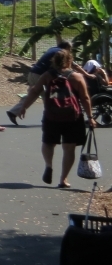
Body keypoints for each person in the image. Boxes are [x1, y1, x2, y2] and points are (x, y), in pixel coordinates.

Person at [16, 48, 96, 187]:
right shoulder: (76, 77)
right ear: (70, 60)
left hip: (51, 115)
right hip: (72, 117)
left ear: (53, 61)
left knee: (48, 143)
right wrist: (90, 117)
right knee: (69, 148)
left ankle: (49, 165)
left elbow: (35, 91)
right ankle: (63, 179)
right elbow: (85, 98)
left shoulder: (48, 75)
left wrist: (24, 107)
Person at [7, 40, 73, 124]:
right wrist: (85, 74)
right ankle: (52, 117)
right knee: (49, 96)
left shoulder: (53, 49)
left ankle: (13, 112)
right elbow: (72, 65)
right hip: (40, 75)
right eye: (70, 49)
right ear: (67, 47)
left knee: (33, 94)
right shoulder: (61, 53)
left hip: (32, 73)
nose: (70, 51)